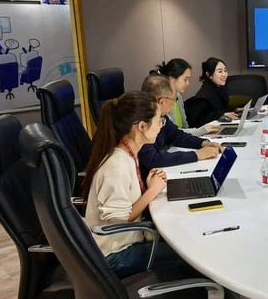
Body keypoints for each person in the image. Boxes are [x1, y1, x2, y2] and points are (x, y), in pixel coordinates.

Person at [81, 91, 193, 279]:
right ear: (142, 126)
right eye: (159, 121)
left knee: (183, 238)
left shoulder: (127, 153)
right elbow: (120, 219)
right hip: (115, 256)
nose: (161, 126)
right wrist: (152, 191)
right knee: (187, 253)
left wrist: (147, 187)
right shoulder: (116, 165)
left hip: (126, 243)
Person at [138, 75, 223, 179]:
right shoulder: (143, 123)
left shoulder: (161, 117)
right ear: (162, 101)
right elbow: (152, 159)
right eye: (174, 99)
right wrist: (196, 155)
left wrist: (203, 143)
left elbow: (177, 135)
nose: (174, 104)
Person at [153, 58, 219, 136]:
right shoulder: (162, 101)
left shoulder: (178, 97)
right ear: (172, 79)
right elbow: (173, 132)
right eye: (185, 79)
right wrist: (202, 130)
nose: (187, 83)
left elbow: (185, 125)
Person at [186, 57, 239, 128]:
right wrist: (220, 115)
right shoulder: (204, 96)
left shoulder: (219, 89)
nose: (224, 75)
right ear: (208, 74)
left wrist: (236, 110)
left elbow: (221, 110)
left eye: (225, 71)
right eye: (220, 71)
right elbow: (198, 121)